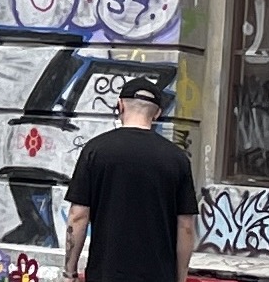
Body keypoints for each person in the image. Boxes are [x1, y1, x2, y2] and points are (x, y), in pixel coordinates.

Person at [63, 77, 199, 282]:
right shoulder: (177, 159)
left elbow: (78, 216)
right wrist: (180, 279)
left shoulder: (95, 151)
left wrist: (70, 272)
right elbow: (186, 227)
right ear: (157, 113)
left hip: (106, 276)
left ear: (120, 106)